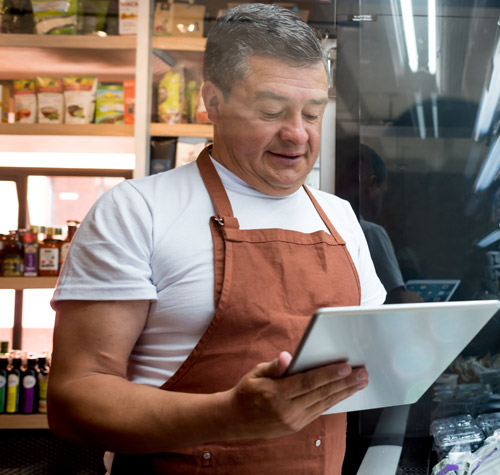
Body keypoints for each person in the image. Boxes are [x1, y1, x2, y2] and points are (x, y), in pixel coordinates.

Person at [47, 4, 387, 474]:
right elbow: (74, 398)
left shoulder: (340, 218)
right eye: (271, 110)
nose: (297, 134)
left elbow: (370, 367)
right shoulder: (135, 210)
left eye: (312, 113)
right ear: (213, 101)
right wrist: (229, 415)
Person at [356, 145, 423, 304]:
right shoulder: (370, 232)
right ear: (371, 185)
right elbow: (398, 299)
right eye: (383, 192)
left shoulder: (332, 224)